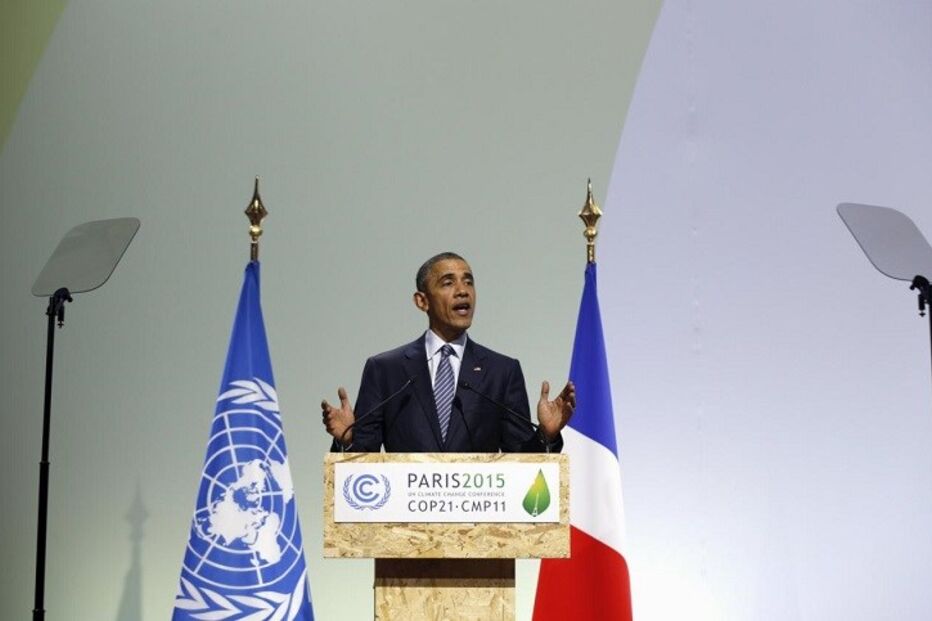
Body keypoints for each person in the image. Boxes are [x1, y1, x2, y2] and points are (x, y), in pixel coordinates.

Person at [321, 252, 575, 452]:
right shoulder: (385, 370)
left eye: (468, 281)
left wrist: (546, 435)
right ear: (422, 301)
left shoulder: (502, 372)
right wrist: (348, 440)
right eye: (448, 282)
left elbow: (521, 462)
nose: (463, 290)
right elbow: (364, 461)